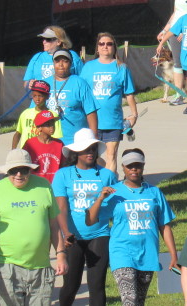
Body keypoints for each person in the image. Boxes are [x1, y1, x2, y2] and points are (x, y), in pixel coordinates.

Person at [0, 149, 68, 305]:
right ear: (7, 171)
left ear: (30, 169)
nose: (19, 175)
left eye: (24, 170)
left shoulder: (44, 186)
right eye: (13, 170)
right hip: (6, 266)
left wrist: (61, 254)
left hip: (40, 266)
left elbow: (53, 224)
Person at [85, 149, 178, 306]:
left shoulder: (154, 192)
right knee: (130, 301)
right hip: (122, 253)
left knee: (139, 302)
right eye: (130, 166)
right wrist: (100, 198)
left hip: (147, 254)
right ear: (123, 167)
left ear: (143, 166)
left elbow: (165, 226)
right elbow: (90, 220)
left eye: (137, 165)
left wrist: (173, 255)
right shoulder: (114, 192)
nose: (133, 169)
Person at [52, 129, 118, 306]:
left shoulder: (107, 175)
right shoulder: (63, 175)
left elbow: (116, 207)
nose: (90, 153)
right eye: (86, 149)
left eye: (93, 149)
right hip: (73, 236)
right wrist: (66, 233)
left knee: (97, 285)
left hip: (100, 233)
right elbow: (61, 207)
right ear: (76, 152)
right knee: (71, 286)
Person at [80, 32, 139, 173]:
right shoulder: (88, 67)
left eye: (109, 44)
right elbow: (81, 92)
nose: (105, 46)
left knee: (111, 155)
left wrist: (134, 114)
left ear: (114, 47)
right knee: (91, 156)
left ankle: (111, 185)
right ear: (97, 48)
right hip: (91, 120)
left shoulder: (121, 68)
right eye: (101, 44)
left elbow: (129, 94)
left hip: (112, 120)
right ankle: (107, 176)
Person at [47, 49, 98, 144]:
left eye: (65, 61)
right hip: (51, 141)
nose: (61, 64)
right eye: (57, 61)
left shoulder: (80, 83)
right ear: (53, 63)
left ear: (71, 64)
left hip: (76, 141)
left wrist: (94, 137)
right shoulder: (45, 83)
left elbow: (91, 112)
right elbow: (35, 111)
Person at [12, 80, 63, 148]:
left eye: (40, 96)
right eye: (34, 96)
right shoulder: (25, 113)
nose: (37, 99)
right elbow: (18, 133)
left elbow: (56, 139)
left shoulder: (53, 116)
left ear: (47, 96)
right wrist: (13, 150)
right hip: (26, 152)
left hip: (43, 152)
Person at [23, 110, 65, 182]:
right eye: (48, 124)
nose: (51, 126)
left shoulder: (59, 144)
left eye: (53, 123)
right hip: (35, 184)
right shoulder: (30, 144)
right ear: (39, 128)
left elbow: (64, 166)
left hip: (54, 185)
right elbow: (23, 164)